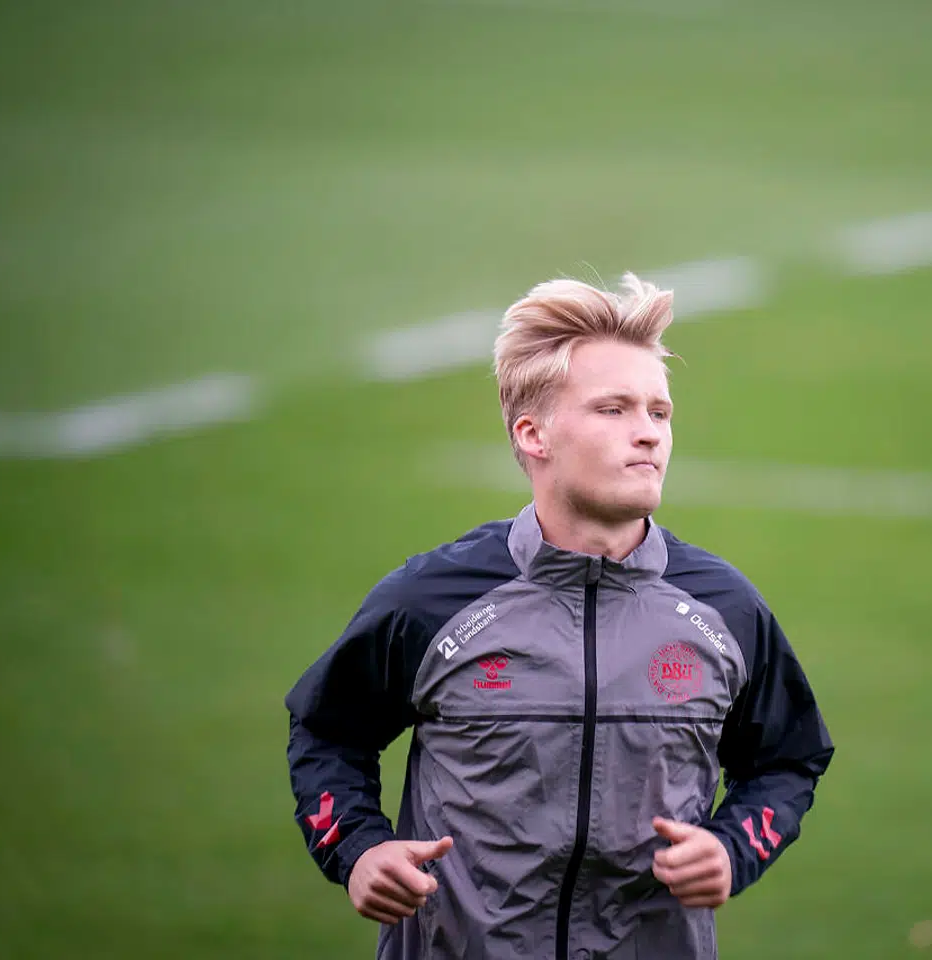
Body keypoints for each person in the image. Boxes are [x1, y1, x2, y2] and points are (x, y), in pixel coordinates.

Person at [285, 273, 835, 960]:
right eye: (614, 410)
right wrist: (360, 851)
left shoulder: (720, 607)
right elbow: (327, 732)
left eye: (659, 413)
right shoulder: (433, 601)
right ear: (533, 433)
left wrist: (732, 850)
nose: (648, 436)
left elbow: (788, 759)